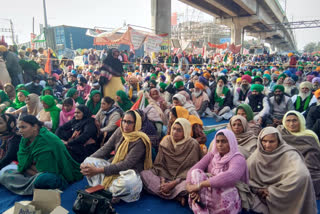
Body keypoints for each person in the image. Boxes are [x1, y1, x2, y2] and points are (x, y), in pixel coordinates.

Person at [80, 110, 152, 203]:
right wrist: (85, 163)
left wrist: (98, 170)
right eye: (124, 121)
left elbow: (126, 165)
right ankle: (107, 191)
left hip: (129, 173)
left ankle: (106, 190)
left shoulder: (140, 141)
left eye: (129, 122)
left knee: (129, 182)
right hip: (113, 165)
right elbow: (105, 148)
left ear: (136, 124)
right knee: (88, 161)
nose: (125, 125)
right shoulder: (119, 131)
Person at [0, 115, 82, 195]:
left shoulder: (46, 141)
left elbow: (43, 170)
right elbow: (22, 160)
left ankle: (28, 186)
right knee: (3, 175)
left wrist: (26, 168)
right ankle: (32, 187)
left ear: (35, 127)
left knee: (43, 179)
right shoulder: (25, 139)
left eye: (24, 127)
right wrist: (26, 167)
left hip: (54, 174)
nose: (20, 131)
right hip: (32, 172)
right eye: (19, 127)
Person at [247, 127, 317, 214]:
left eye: (272, 141)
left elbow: (303, 175)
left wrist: (273, 191)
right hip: (262, 196)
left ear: (279, 141)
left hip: (285, 192)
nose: (267, 145)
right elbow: (247, 179)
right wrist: (258, 190)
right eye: (264, 141)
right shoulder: (255, 157)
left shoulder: (289, 154)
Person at [141, 118, 202, 205]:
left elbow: (191, 169)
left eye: (179, 130)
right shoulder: (166, 141)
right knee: (144, 174)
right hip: (164, 176)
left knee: (190, 185)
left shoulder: (192, 144)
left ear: (186, 131)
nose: (175, 132)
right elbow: (159, 165)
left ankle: (166, 193)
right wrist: (163, 182)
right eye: (174, 128)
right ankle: (176, 197)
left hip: (182, 180)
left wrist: (174, 183)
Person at [186, 129, 248, 214]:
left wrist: (200, 185)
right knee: (196, 173)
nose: (220, 145)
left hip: (228, 191)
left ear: (231, 142)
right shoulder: (213, 154)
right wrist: (189, 186)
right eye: (218, 141)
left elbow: (231, 176)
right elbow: (194, 168)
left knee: (222, 178)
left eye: (224, 141)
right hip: (211, 188)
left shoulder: (237, 158)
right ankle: (202, 208)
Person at [277, 110, 320, 198]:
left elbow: (313, 159)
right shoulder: (280, 135)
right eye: (288, 121)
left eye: (294, 120)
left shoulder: (309, 136)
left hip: (308, 167)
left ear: (300, 121)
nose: (291, 124)